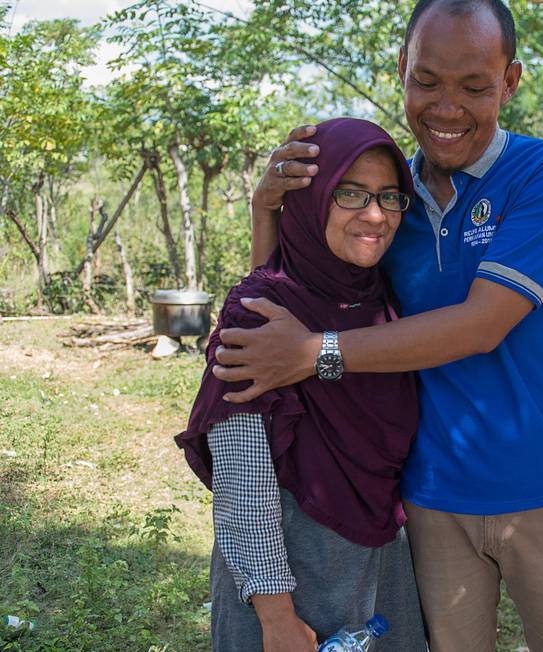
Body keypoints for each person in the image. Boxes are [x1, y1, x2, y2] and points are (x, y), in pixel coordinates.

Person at [210, 2, 543, 650]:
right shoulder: (390, 197)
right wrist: (266, 211)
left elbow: (482, 324)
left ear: (510, 82)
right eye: (427, 81)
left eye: (475, 86)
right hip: (430, 500)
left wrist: (316, 353)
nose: (447, 107)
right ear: (401, 70)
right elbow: (297, 299)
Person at [175, 118, 427, 652]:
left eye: (389, 196)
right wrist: (276, 615)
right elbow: (242, 474)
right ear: (310, 198)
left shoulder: (382, 300)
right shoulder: (261, 307)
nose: (376, 215)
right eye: (351, 193)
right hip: (288, 572)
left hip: (378, 564)